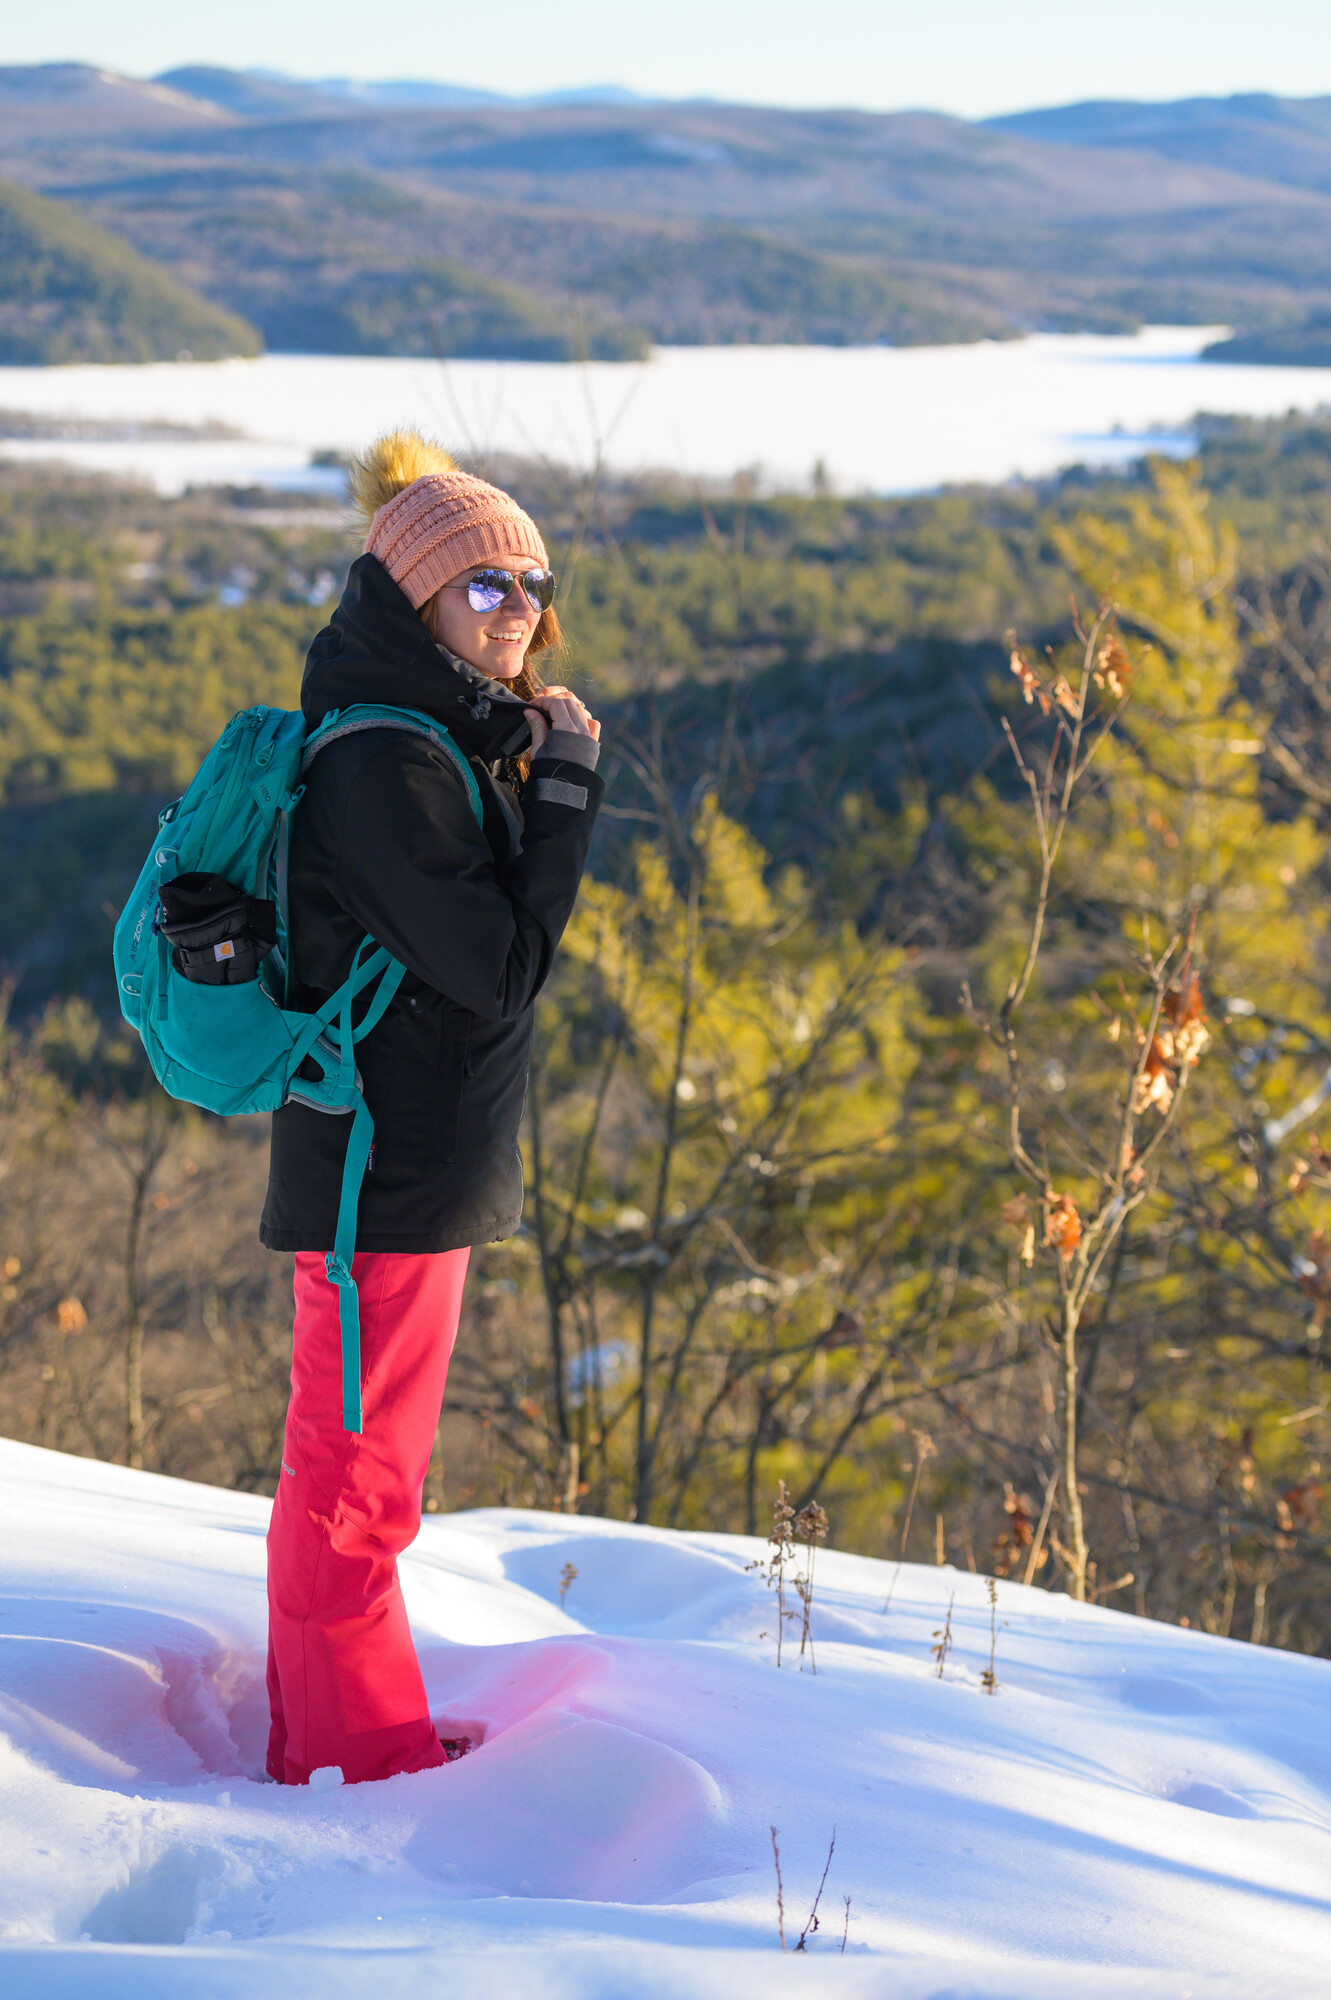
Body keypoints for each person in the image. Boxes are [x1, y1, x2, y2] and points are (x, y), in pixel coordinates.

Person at [259, 430, 602, 1785]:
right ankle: (358, 1760)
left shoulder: (416, 733)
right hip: (380, 1180)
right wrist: (565, 800)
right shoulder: (383, 762)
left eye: (534, 582)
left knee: (344, 1471)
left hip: (396, 1166)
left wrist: (513, 755)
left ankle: (327, 1734)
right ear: (416, 604)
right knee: (359, 1488)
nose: (520, 607)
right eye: (485, 587)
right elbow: (499, 969)